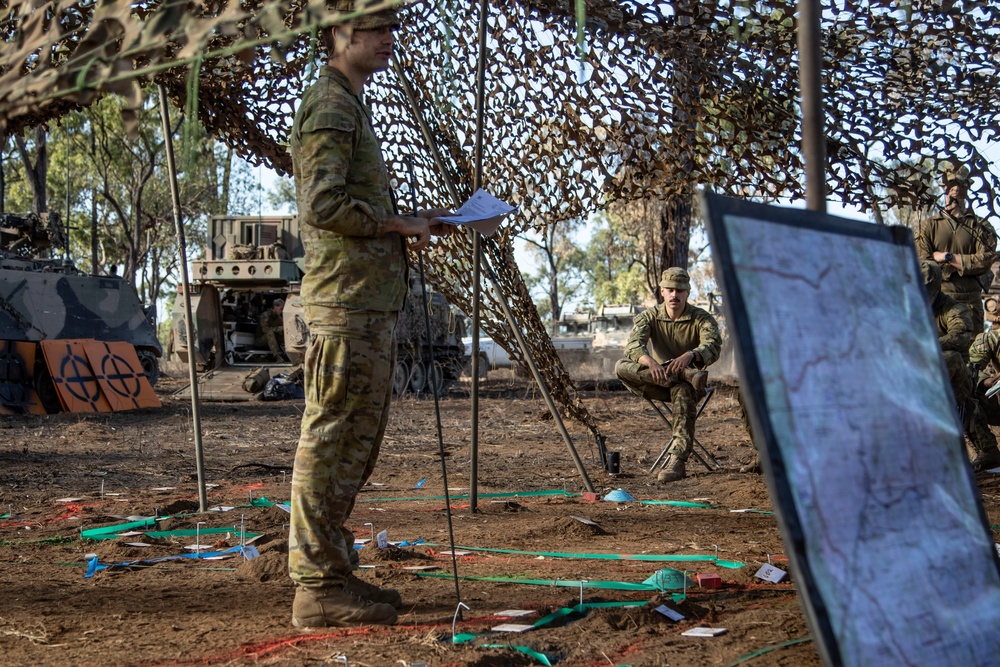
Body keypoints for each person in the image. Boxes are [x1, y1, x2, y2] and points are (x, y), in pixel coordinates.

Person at [287, 0, 453, 629]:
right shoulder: (330, 104)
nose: (389, 38)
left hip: (365, 305)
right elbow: (323, 204)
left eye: (392, 27)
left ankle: (332, 574)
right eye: (376, 28)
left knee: (352, 443)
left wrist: (403, 224)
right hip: (345, 305)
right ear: (338, 32)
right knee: (330, 441)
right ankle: (315, 587)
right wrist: (395, 222)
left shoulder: (348, 102)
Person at [615, 267, 722, 483]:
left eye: (680, 290)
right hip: (658, 380)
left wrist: (691, 355)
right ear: (662, 291)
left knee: (682, 390)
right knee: (620, 366)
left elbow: (713, 345)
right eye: (670, 290)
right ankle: (682, 374)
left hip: (691, 387)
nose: (675, 295)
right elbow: (634, 345)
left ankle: (677, 460)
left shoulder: (701, 318)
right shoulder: (649, 316)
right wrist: (651, 363)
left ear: (687, 293)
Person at [915, 163, 998, 337]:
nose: (955, 191)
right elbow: (923, 262)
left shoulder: (981, 226)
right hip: (937, 301)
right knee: (937, 355)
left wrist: (947, 257)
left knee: (970, 357)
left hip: (970, 302)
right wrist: (965, 262)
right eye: (951, 185)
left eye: (960, 185)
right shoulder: (928, 226)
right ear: (943, 187)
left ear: (967, 188)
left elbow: (985, 260)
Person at [966, 328, 1000, 471]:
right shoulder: (990, 338)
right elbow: (970, 368)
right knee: (963, 390)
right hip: (996, 401)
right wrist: (985, 381)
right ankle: (988, 451)